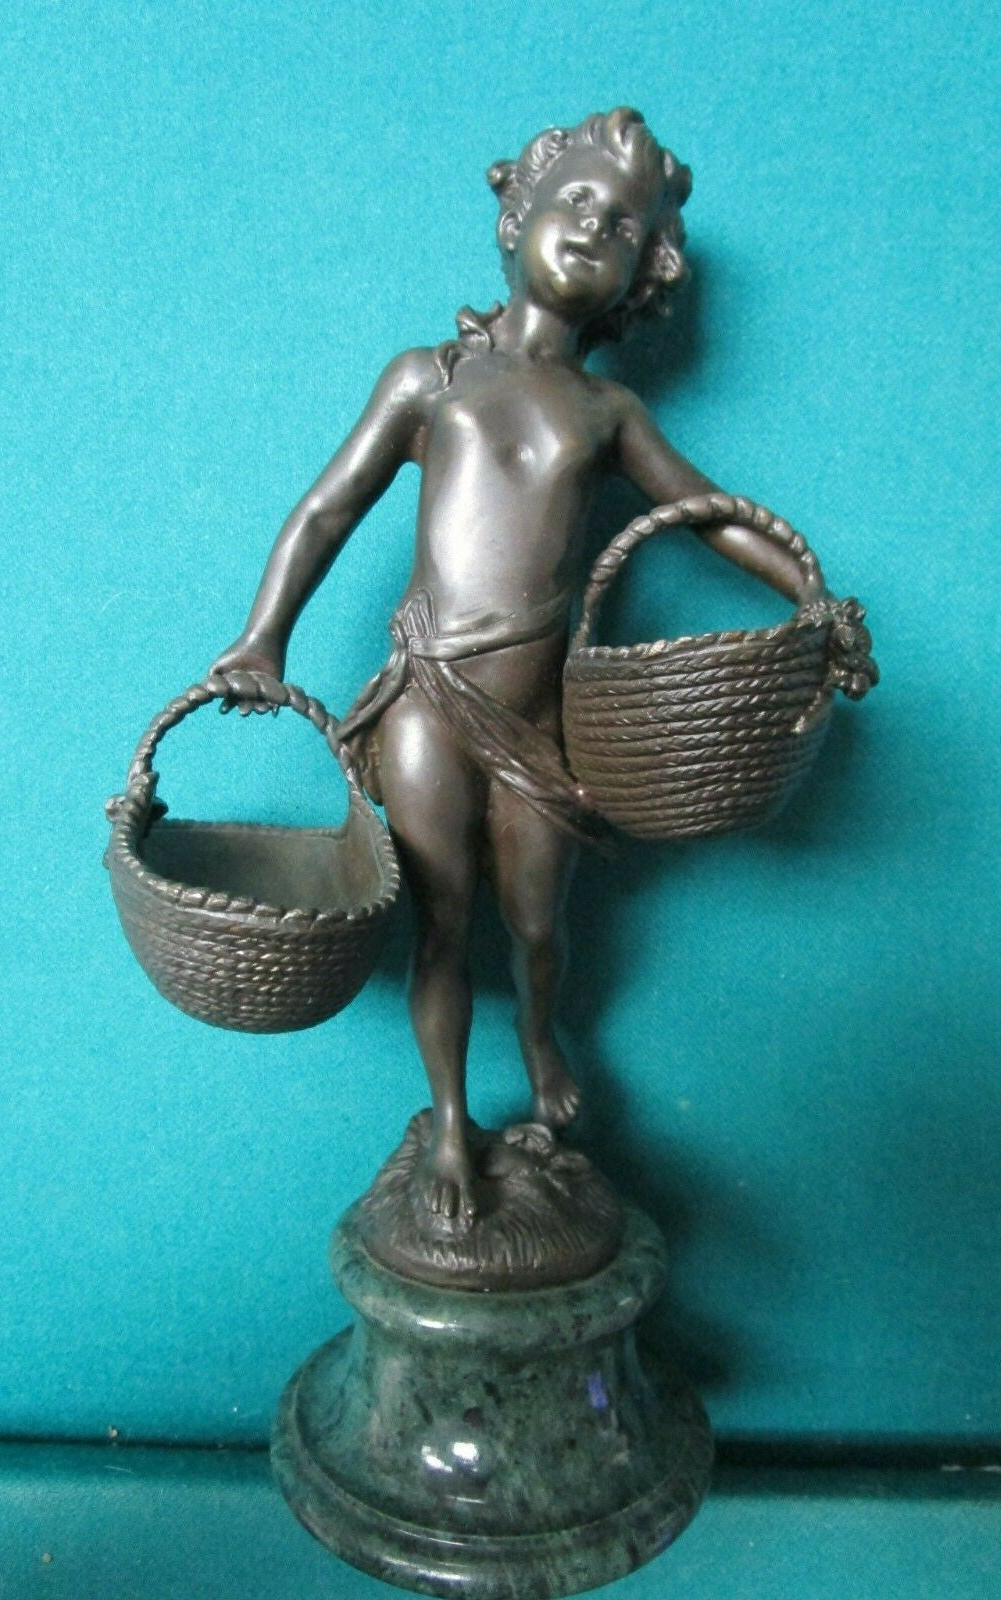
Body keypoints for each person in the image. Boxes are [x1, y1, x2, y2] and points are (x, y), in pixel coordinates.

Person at [210, 108, 822, 1226]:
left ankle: (542, 1034)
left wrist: (809, 593)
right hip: (427, 698)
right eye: (576, 202)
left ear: (644, 272)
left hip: (539, 721)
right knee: (443, 920)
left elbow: (706, 513)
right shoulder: (430, 378)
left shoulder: (607, 410)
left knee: (539, 924)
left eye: (624, 225)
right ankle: (450, 1123)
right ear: (515, 217)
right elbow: (326, 510)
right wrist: (264, 637)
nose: (595, 228)